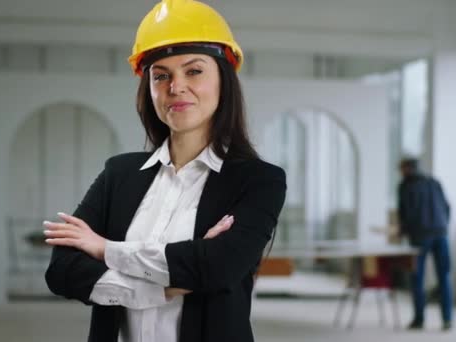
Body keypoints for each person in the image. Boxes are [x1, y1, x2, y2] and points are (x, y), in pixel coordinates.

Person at [43, 1, 287, 341]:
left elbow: (217, 267)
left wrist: (105, 250)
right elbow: (63, 271)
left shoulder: (259, 180)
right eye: (161, 76)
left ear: (224, 79)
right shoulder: (119, 174)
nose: (176, 87)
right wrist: (162, 288)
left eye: (194, 71)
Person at [397, 157, 453, 331]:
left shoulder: (405, 185)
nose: (400, 172)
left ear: (406, 168)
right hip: (441, 233)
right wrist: (443, 226)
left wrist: (402, 231)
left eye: (401, 169)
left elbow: (406, 213)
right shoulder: (434, 181)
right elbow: (447, 207)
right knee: (444, 277)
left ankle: (419, 320)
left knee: (417, 278)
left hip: (420, 237)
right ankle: (447, 320)